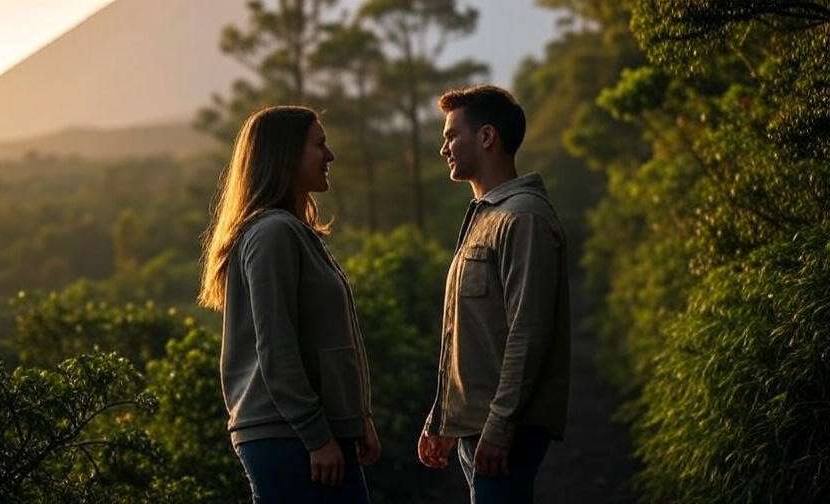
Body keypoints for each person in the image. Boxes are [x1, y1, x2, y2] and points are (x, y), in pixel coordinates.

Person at [198, 105, 380, 503]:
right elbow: (276, 347)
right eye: (319, 145)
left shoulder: (292, 232)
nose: (329, 155)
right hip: (287, 437)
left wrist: (357, 418)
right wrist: (316, 438)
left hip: (307, 432)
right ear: (285, 156)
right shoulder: (273, 234)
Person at [417, 85, 571, 503]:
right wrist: (442, 419)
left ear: (487, 137)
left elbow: (528, 332)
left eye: (452, 135)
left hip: (504, 429)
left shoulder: (523, 218)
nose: (444, 148)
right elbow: (468, 333)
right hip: (477, 425)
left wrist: (500, 425)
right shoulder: (487, 216)